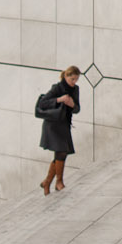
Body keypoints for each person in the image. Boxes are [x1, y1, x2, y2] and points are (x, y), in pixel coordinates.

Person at [39, 66, 82, 195]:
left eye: (76, 79)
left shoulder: (76, 90)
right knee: (61, 152)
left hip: (64, 125)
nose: (74, 82)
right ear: (66, 76)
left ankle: (47, 182)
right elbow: (43, 103)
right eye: (72, 78)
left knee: (61, 153)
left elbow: (77, 108)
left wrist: (72, 105)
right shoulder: (57, 88)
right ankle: (59, 182)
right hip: (53, 125)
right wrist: (60, 100)